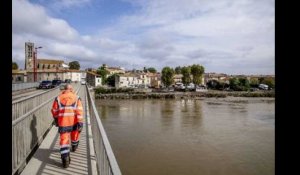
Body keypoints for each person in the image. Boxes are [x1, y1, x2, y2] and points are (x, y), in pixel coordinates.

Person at [51, 84, 83, 168]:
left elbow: (54, 110)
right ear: (71, 89)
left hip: (63, 123)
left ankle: (65, 159)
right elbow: (79, 111)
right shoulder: (77, 97)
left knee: (64, 141)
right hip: (74, 121)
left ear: (64, 89)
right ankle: (74, 146)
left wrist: (56, 119)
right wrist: (80, 122)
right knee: (74, 135)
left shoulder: (58, 98)